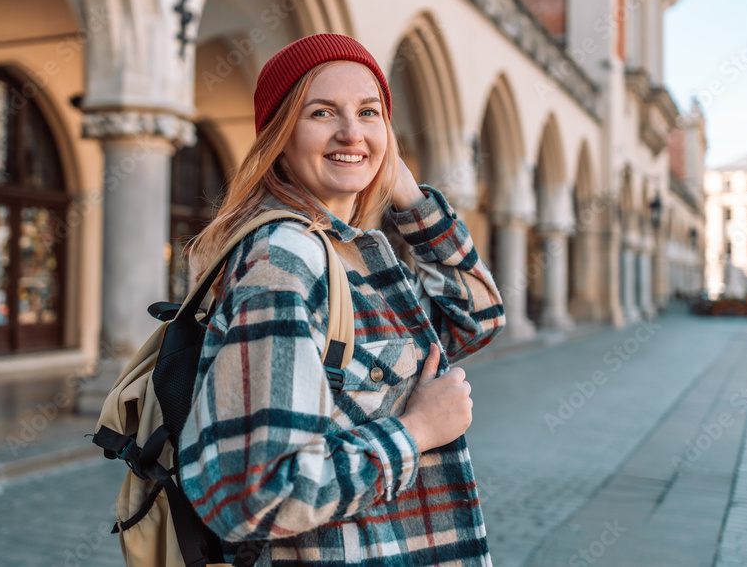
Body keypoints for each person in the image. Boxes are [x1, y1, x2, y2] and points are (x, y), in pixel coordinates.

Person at [178, 33, 505, 566]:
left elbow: (478, 316)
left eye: (369, 112)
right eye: (323, 112)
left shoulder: (347, 256)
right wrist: (416, 431)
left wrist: (410, 196)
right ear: (280, 136)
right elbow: (258, 496)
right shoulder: (284, 263)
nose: (351, 132)